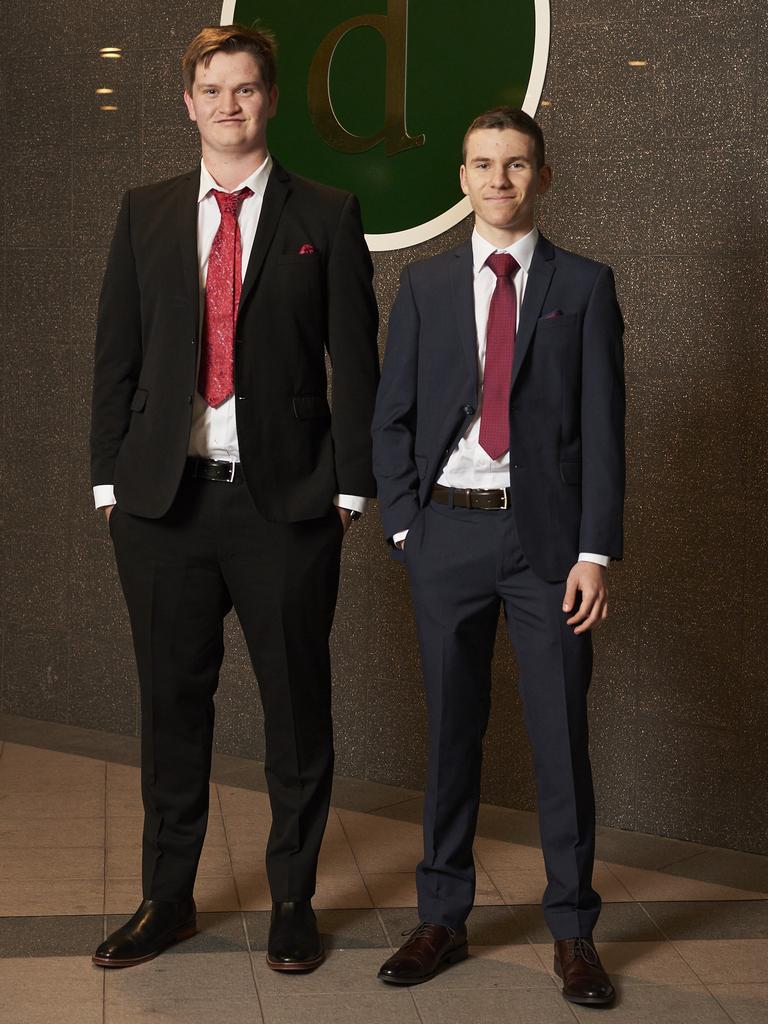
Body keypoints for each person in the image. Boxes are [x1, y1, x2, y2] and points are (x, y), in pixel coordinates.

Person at [89, 24, 379, 972]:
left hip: (285, 507)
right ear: (188, 102)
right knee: (173, 709)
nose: (229, 105)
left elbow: (357, 367)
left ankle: (292, 899)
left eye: (246, 89)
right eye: (212, 90)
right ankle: (166, 898)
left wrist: (348, 490)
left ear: (270, 99)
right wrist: (107, 481)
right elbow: (117, 356)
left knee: (297, 710)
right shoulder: (147, 211)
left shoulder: (327, 214)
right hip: (161, 507)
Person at [371, 107, 624, 1005]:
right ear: (463, 177)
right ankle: (440, 916)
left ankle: (573, 931)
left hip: (548, 548)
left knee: (561, 737)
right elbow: (390, 415)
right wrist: (406, 527)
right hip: (447, 534)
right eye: (482, 164)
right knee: (450, 735)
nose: (498, 181)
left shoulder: (585, 285)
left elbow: (602, 432)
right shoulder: (426, 288)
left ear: (542, 177)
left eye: (516, 166)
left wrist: (594, 552)